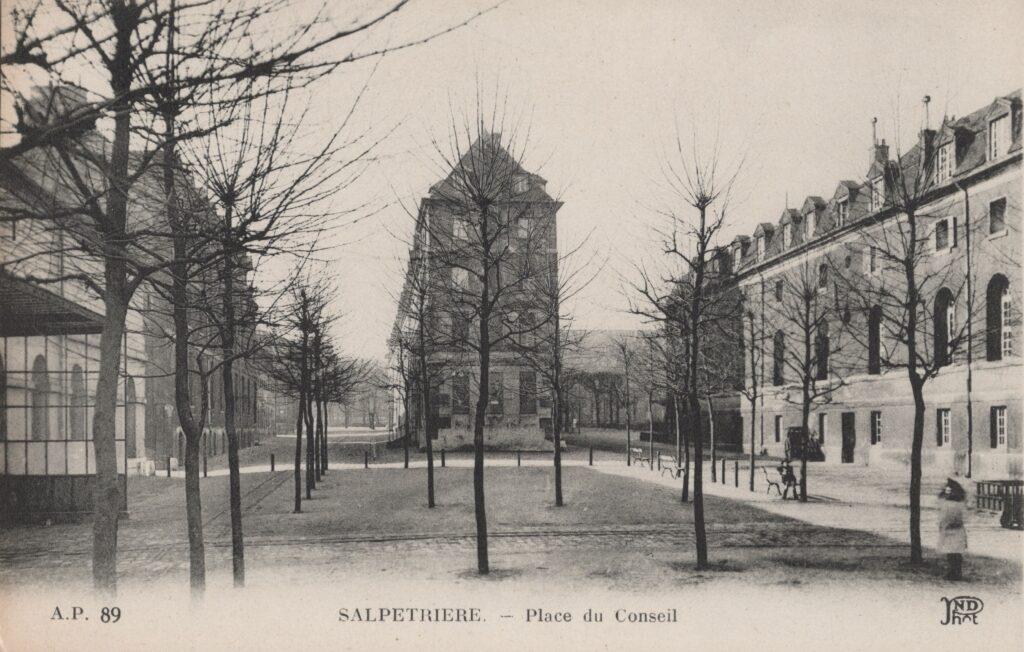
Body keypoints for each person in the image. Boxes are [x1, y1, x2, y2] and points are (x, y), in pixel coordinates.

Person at [938, 478, 968, 581]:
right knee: (954, 552)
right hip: (956, 530)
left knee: (952, 553)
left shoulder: (950, 504)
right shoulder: (959, 504)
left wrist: (943, 525)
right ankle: (955, 571)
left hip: (952, 529)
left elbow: (945, 517)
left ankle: (954, 572)